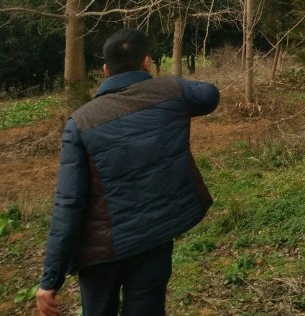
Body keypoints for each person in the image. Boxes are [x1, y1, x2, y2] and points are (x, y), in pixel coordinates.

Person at [36, 28, 220, 316]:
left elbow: (68, 204)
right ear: (146, 62)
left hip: (100, 253)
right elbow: (209, 94)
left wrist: (50, 280)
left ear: (105, 70)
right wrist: (169, 84)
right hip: (154, 240)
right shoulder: (170, 92)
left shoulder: (80, 123)